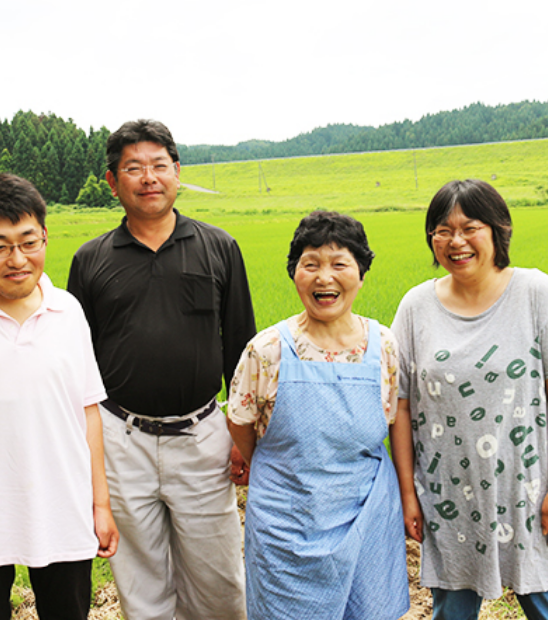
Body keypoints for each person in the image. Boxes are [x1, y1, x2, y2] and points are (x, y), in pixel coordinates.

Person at [67, 119, 256, 620]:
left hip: (202, 435)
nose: (148, 177)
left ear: (177, 171)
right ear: (113, 182)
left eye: (158, 165)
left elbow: (241, 349)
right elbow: (76, 362)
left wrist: (244, 436)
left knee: (219, 581)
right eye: (133, 168)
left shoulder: (219, 247)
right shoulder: (90, 260)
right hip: (121, 436)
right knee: (140, 579)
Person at [0, 173, 119, 619]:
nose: (17, 259)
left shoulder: (68, 310)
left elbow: (87, 411)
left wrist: (101, 504)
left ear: (45, 237)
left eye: (29, 242)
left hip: (62, 512)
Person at [228, 210, 410, 619]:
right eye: (311, 264)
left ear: (361, 274)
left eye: (339, 263)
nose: (324, 277)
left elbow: (394, 414)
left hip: (367, 510)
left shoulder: (383, 344)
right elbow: (240, 421)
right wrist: (277, 468)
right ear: (295, 274)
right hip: (286, 519)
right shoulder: (268, 348)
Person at [391, 179, 548, 620]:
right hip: (448, 499)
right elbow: (400, 405)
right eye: (442, 230)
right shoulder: (416, 306)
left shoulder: (535, 293)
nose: (455, 241)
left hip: (529, 493)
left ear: (498, 230)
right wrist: (408, 493)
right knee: (452, 614)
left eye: (469, 227)